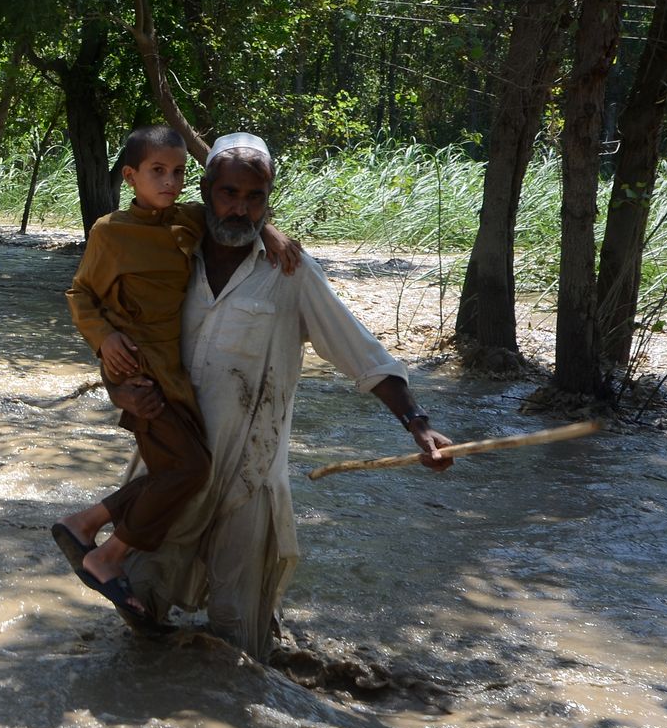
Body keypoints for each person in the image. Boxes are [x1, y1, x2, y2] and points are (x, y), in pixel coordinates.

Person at [109, 133, 453, 651]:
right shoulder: (168, 255)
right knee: (137, 609)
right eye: (228, 194)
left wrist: (417, 423)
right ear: (204, 192)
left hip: (249, 474)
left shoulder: (289, 270)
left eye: (255, 199)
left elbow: (360, 351)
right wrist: (122, 394)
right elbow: (120, 337)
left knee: (238, 639)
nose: (240, 209)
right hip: (172, 463)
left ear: (269, 201)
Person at [52, 126, 302, 623]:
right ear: (130, 177)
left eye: (178, 173)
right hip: (138, 373)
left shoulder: (187, 222)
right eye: (157, 172)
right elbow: (81, 295)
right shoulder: (110, 232)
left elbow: (237, 216)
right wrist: (104, 340)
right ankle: (106, 553)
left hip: (175, 372)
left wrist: (269, 229)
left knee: (180, 471)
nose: (169, 183)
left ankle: (87, 523)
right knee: (189, 471)